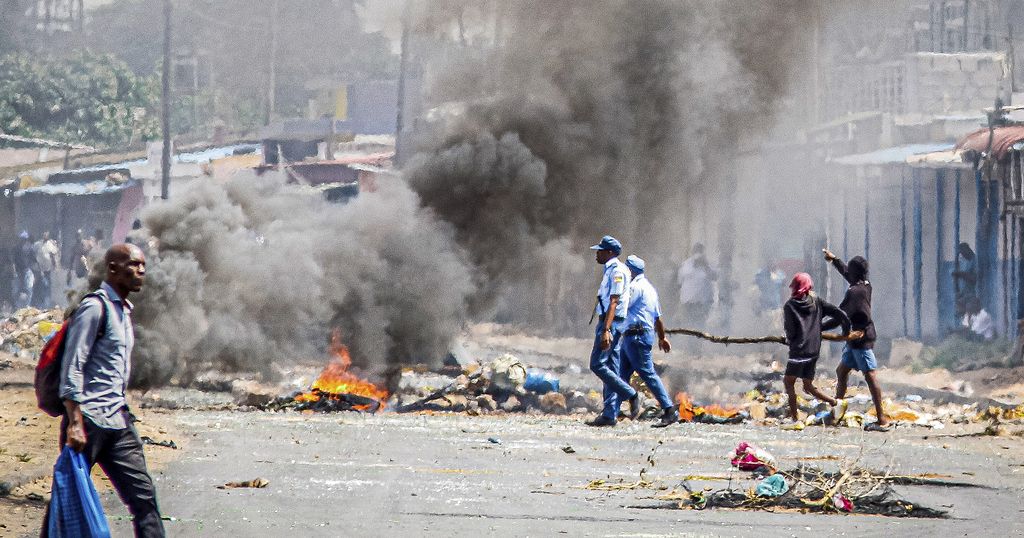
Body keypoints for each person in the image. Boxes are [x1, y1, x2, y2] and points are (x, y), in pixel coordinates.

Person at [43, 243, 165, 537]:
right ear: (113, 269)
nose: (141, 271)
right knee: (67, 498)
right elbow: (72, 366)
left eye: (143, 266)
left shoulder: (123, 311)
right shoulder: (93, 309)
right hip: (88, 422)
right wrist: (74, 423)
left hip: (117, 422)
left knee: (144, 500)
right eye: (134, 265)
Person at [822, 250, 889, 432]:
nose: (848, 273)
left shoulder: (855, 293)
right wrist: (835, 260)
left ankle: (881, 419)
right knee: (842, 371)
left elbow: (839, 317)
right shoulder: (865, 285)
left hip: (861, 338)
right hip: (854, 339)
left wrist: (819, 327)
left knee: (870, 375)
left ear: (855, 274)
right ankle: (836, 412)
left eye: (850, 271)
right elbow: (847, 272)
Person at [781, 272, 852, 430]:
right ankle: (836, 403)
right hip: (813, 351)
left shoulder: (790, 306)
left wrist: (789, 340)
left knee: (788, 382)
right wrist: (846, 332)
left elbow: (791, 331)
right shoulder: (817, 301)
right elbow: (841, 315)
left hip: (798, 352)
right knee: (807, 386)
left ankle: (795, 420)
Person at [585, 235, 640, 427]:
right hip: (611, 322)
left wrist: (606, 329)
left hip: (612, 323)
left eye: (600, 251)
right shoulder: (611, 270)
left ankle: (630, 394)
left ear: (610, 253)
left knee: (597, 364)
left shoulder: (617, 271)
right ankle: (610, 414)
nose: (597, 254)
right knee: (612, 367)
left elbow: (614, 302)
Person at [617, 255, 678, 428]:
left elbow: (623, 306)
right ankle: (612, 411)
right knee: (621, 375)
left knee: (648, 374)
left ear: (630, 270)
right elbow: (658, 318)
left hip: (635, 336)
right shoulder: (650, 289)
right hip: (635, 336)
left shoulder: (635, 287)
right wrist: (662, 337)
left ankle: (669, 410)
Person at [677, 243, 717, 329]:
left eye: (700, 251)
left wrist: (705, 266)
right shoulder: (686, 264)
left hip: (703, 301)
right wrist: (695, 264)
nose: (698, 254)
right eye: (696, 251)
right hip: (688, 302)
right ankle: (689, 341)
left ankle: (697, 342)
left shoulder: (709, 265)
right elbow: (680, 281)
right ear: (693, 252)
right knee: (688, 326)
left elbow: (714, 277)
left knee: (700, 325)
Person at [32, 231, 59, 308]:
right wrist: (36, 265)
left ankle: (46, 305)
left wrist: (56, 266)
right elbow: (33, 255)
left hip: (47, 270)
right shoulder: (37, 244)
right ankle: (36, 304)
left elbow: (53, 256)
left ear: (48, 236)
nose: (45, 236)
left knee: (46, 286)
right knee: (38, 286)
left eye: (46, 235)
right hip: (38, 270)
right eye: (44, 234)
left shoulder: (50, 245)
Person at [952, 242, 978, 315]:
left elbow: (974, 279)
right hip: (966, 295)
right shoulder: (967, 262)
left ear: (967, 250)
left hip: (972, 296)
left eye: (962, 252)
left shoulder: (975, 261)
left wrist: (961, 274)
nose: (962, 255)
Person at [14, 231, 35, 309]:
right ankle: (18, 306)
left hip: (27, 271)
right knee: (17, 290)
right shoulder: (16, 248)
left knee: (28, 289)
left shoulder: (30, 248)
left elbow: (34, 260)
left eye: (25, 239)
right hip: (18, 271)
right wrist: (14, 271)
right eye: (22, 239)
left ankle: (27, 306)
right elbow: (13, 260)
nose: (23, 240)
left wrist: (33, 272)